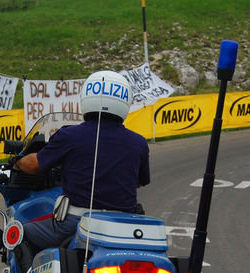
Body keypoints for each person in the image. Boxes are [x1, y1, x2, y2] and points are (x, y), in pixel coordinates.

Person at [14, 70, 150, 252]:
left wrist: (17, 162)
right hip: (123, 226)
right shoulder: (139, 143)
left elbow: (34, 164)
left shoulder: (70, 135)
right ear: (125, 100)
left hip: (76, 222)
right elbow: (141, 181)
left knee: (19, 232)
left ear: (86, 96)